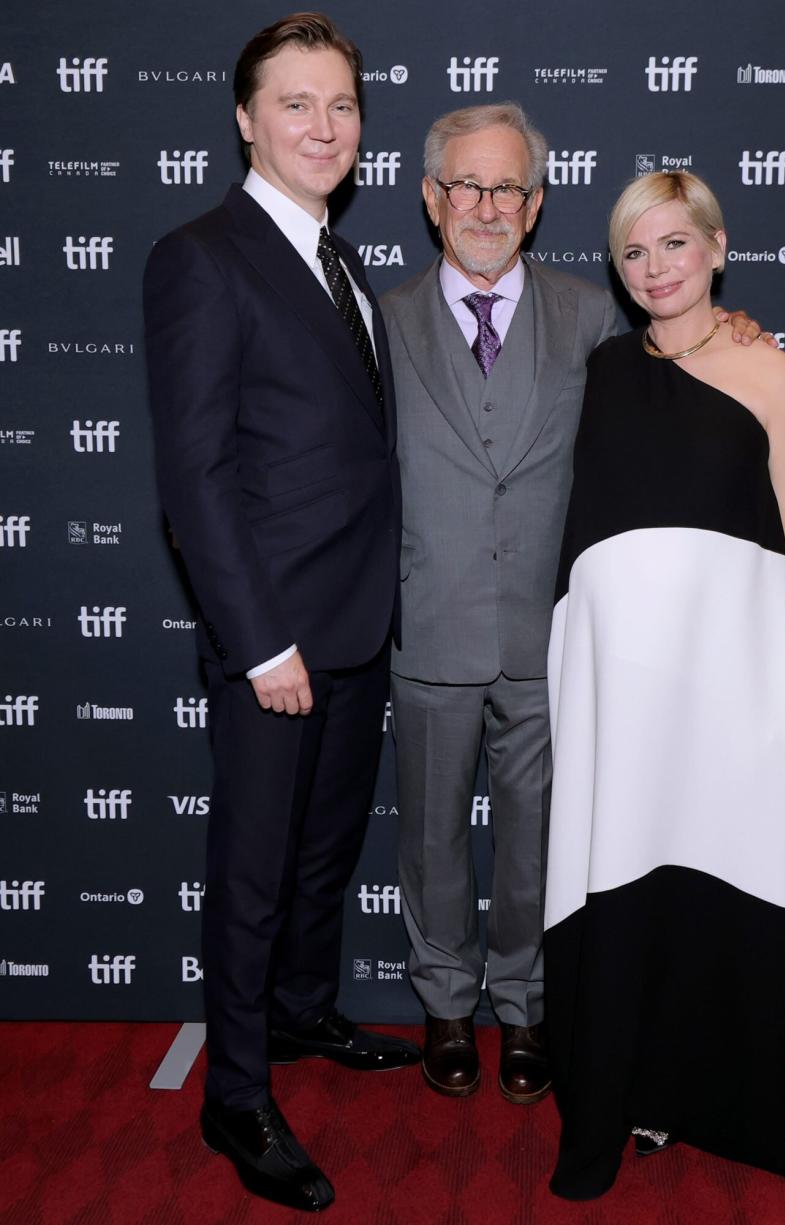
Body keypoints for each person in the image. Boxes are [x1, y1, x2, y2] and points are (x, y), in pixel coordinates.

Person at [380, 107, 770, 1106]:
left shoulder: (591, 315)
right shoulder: (384, 322)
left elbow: (678, 378)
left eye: (505, 188)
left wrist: (732, 329)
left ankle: (523, 1004)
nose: (483, 206)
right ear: (430, 198)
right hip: (430, 625)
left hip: (550, 634)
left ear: (535, 204)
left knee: (536, 839)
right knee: (428, 838)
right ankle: (445, 1004)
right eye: (463, 186)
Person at [143, 13, 418, 1213]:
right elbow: (194, 476)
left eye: (342, 106)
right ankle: (236, 1095)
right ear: (247, 120)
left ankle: (303, 1014)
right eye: (296, 103)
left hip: (360, 625)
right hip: (276, 640)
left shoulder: (344, 260)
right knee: (252, 873)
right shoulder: (203, 256)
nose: (323, 125)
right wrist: (259, 641)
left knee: (322, 853)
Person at [544, 170, 785, 1199]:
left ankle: (710, 1096)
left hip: (728, 696)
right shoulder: (602, 368)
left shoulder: (769, 371)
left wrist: (775, 690)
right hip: (619, 702)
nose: (654, 268)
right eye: (633, 252)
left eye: (673, 245)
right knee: (623, 893)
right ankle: (619, 1096)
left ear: (716, 246)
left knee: (712, 893)